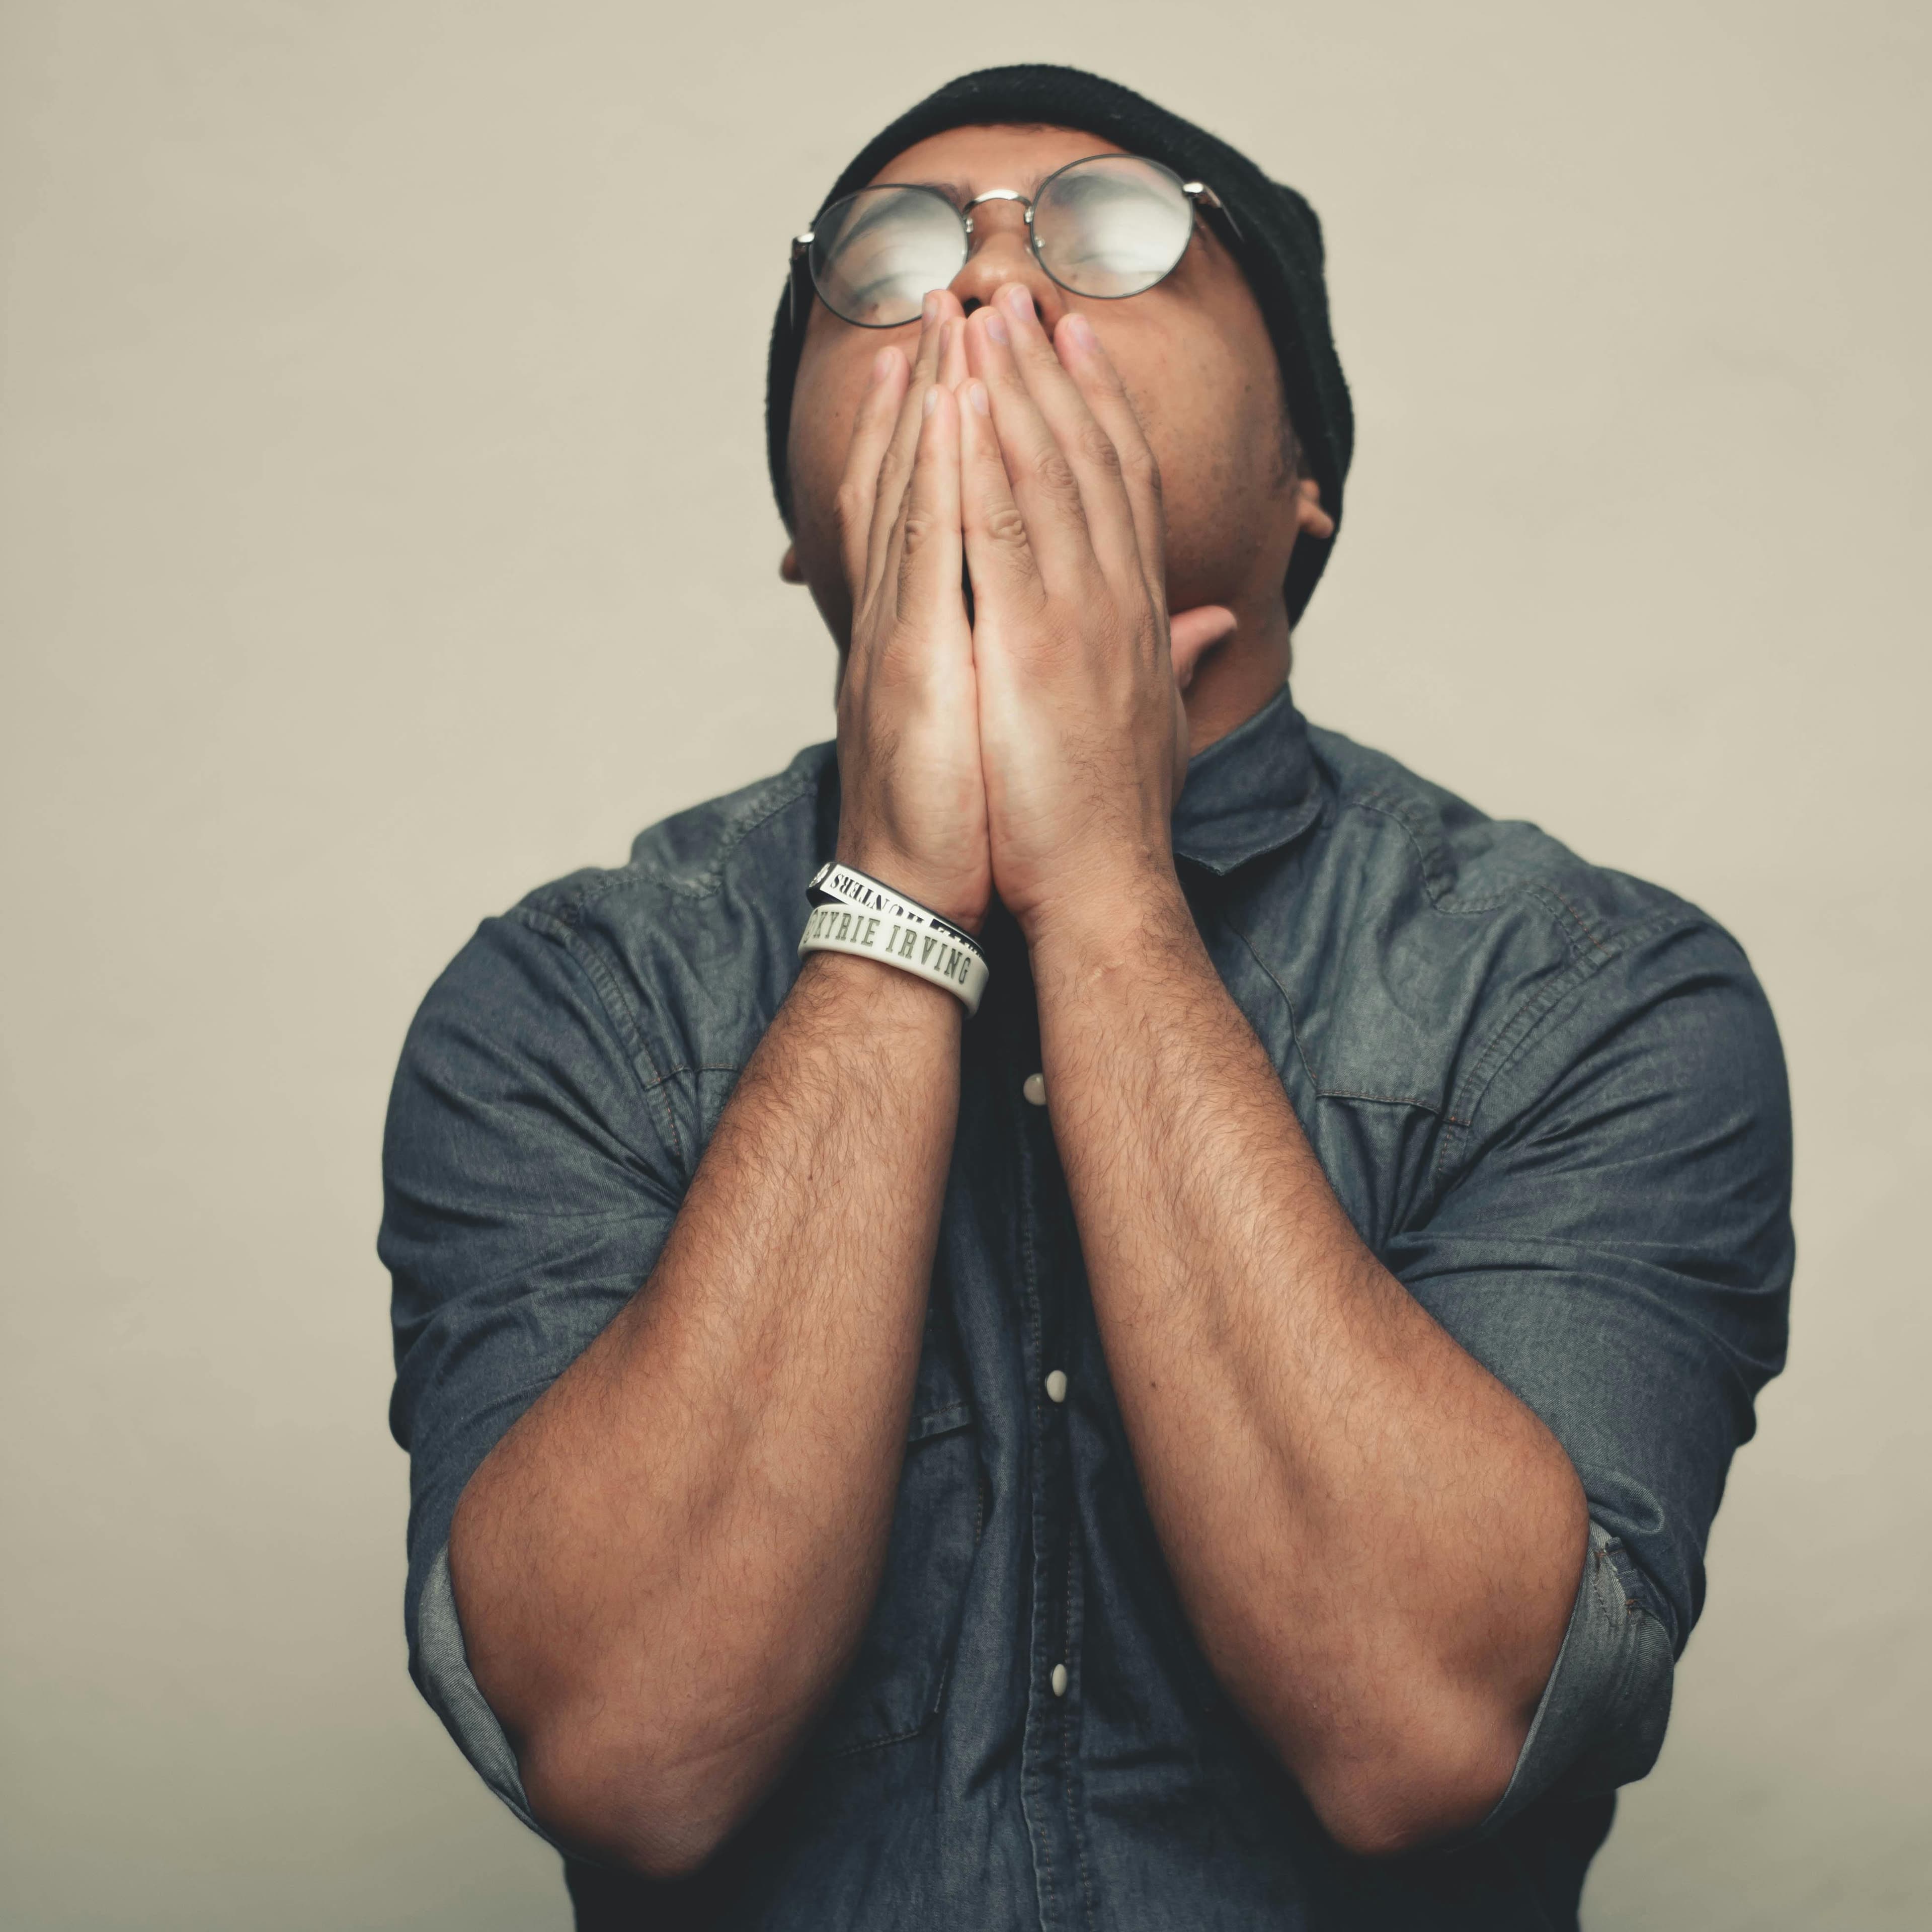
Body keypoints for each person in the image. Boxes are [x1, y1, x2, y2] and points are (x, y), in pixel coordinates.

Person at [381, 64, 1792, 1931]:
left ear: (1308, 484)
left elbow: (1427, 1728)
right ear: (807, 529)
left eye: (1106, 235)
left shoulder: (1588, 994)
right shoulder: (569, 1004)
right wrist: (896, 890)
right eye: (882, 268)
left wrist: (1106, 888)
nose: (982, 295)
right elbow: (638, 1750)